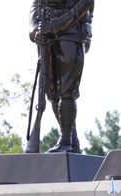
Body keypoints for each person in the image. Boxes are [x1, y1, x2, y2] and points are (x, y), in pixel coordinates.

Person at [29, 0, 95, 153]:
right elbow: (35, 7)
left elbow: (82, 6)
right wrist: (35, 32)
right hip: (47, 40)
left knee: (67, 91)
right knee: (51, 92)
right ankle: (72, 141)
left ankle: (66, 141)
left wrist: (53, 26)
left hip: (72, 35)